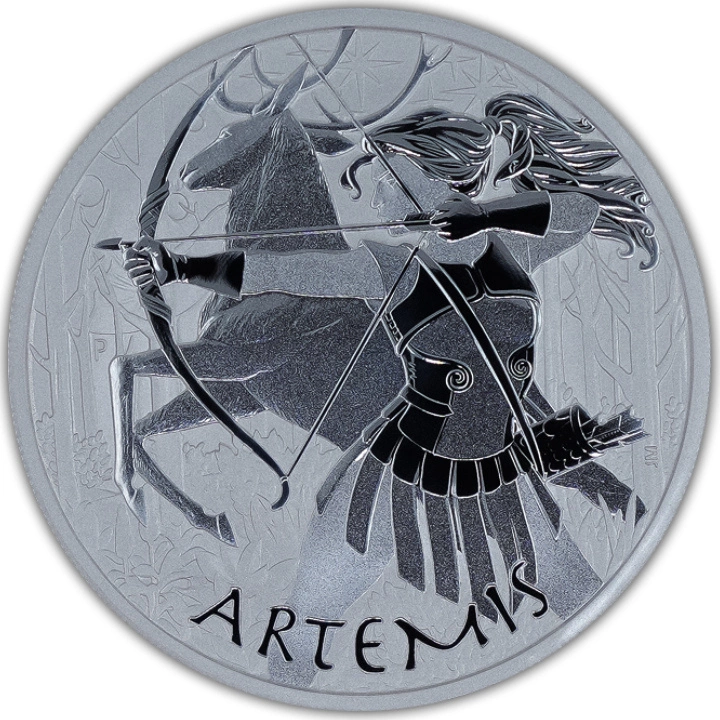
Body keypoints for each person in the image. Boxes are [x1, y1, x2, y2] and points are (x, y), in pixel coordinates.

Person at [124, 93, 656, 685]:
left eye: (386, 176)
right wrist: (178, 268)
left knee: (584, 601)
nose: (376, 196)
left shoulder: (513, 250)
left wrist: (483, 217)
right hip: (397, 479)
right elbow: (275, 271)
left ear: (429, 179)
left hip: (499, 474)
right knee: (302, 631)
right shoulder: (387, 267)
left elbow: (579, 210)